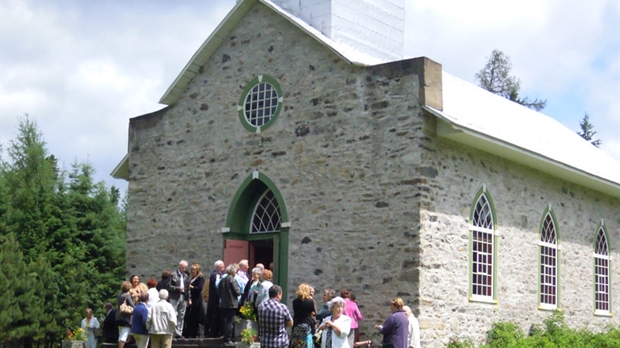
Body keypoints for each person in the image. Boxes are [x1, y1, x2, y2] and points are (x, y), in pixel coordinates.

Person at [218, 263, 242, 346]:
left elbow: (219, 291)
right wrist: (240, 292)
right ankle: (228, 339)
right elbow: (237, 292)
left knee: (225, 321)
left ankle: (225, 336)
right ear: (233, 272)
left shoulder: (222, 280)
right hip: (232, 304)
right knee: (230, 322)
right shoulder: (232, 279)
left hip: (224, 303)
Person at [167, 260, 189, 338]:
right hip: (174, 296)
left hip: (183, 296)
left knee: (181, 315)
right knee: (173, 314)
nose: (184, 269)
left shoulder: (186, 276)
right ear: (179, 266)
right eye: (183, 267)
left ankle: (179, 332)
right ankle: (173, 332)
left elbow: (187, 288)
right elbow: (168, 286)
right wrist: (177, 288)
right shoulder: (173, 275)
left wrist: (189, 299)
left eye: (186, 268)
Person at [291, 283, 317, 348]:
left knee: (297, 343)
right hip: (307, 324)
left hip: (297, 324)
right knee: (307, 342)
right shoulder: (310, 301)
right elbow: (313, 313)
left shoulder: (295, 301)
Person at [183, 263, 205, 338]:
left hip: (196, 300)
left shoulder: (200, 279)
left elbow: (199, 288)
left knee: (195, 316)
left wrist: (191, 287)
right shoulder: (191, 279)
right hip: (191, 299)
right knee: (190, 316)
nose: (192, 271)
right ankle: (189, 332)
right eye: (192, 270)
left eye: (194, 270)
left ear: (197, 271)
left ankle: (195, 333)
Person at [206, 260, 225, 337]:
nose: (223, 268)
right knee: (214, 317)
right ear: (218, 267)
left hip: (214, 300)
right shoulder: (215, 275)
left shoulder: (217, 274)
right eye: (222, 266)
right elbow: (217, 288)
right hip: (215, 300)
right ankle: (213, 333)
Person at [116, 281, 135, 348]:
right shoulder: (127, 295)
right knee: (124, 336)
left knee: (120, 335)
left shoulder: (119, 295)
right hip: (125, 318)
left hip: (118, 317)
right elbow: (133, 306)